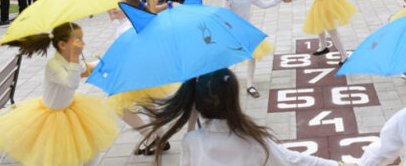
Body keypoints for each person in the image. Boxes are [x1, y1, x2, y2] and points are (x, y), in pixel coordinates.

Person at [140, 68, 342, 165]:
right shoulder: (253, 140)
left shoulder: (191, 140)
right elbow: (292, 161)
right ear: (234, 101)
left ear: (196, 103)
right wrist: (337, 164)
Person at [0, 22, 119, 165]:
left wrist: (108, 63)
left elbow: (84, 71)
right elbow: (72, 83)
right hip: (53, 118)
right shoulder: (54, 66)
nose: (83, 43)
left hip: (72, 110)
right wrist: (75, 57)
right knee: (61, 155)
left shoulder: (70, 60)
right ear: (62, 45)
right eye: (78, 39)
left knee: (91, 148)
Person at [106, 0, 177, 156]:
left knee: (119, 108)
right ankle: (161, 137)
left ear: (129, 7)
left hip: (132, 72)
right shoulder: (125, 22)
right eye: (111, 4)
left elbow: (124, 53)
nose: (112, 8)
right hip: (143, 70)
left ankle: (153, 137)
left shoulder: (126, 28)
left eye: (118, 5)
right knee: (149, 106)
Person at [223, 0, 282, 98]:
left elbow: (264, 5)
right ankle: (224, 80)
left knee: (252, 56)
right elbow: (225, 14)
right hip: (233, 32)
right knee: (231, 58)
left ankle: (250, 84)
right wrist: (226, 0)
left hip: (247, 31)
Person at [283, 0, 355, 64]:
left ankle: (344, 56)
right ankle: (323, 46)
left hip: (322, 2)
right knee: (319, 24)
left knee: (332, 32)